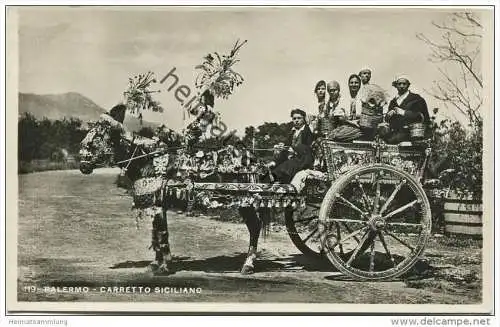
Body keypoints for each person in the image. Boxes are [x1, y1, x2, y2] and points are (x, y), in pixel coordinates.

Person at [267, 109, 314, 184]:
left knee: (288, 165)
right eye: (294, 118)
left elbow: (308, 147)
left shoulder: (308, 131)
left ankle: (276, 178)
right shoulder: (292, 132)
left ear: (304, 119)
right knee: (273, 165)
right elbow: (286, 147)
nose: (296, 120)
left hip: (303, 159)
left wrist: (294, 149)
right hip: (291, 158)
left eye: (299, 118)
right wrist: (281, 147)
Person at [382, 75, 431, 144]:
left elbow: (421, 117)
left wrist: (403, 112)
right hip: (395, 136)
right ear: (396, 85)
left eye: (404, 84)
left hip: (412, 136)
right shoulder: (393, 102)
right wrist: (388, 116)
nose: (402, 86)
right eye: (399, 84)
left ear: (408, 85)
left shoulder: (416, 99)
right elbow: (390, 122)